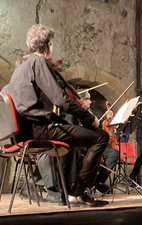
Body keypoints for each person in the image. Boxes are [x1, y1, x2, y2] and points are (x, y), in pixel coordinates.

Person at [8, 24, 109, 206]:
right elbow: (61, 100)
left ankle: (71, 190)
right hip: (38, 130)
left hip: (23, 131)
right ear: (48, 44)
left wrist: (60, 119)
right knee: (101, 137)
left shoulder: (20, 69)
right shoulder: (38, 63)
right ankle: (78, 192)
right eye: (52, 44)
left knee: (76, 137)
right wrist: (89, 118)